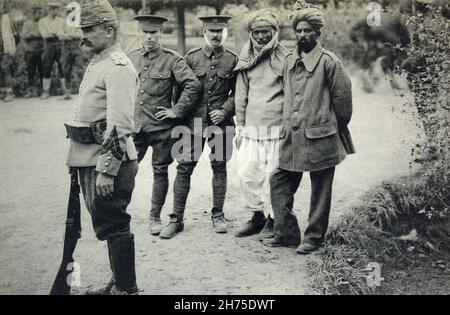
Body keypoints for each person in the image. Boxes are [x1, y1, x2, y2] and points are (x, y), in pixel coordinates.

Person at [263, 6, 355, 254]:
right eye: (298, 30)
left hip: (320, 137)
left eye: (308, 31)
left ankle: (314, 238)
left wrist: (328, 126)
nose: (302, 35)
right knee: (279, 180)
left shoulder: (330, 62)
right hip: (292, 137)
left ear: (317, 33)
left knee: (321, 189)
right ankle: (286, 233)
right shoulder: (290, 61)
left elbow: (344, 105)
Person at [64, 0, 139, 295]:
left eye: (89, 30)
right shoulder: (100, 61)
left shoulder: (118, 67)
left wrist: (107, 170)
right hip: (90, 159)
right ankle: (117, 281)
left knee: (115, 225)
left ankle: (127, 289)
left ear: (109, 31)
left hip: (107, 162)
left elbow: (119, 124)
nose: (83, 35)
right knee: (108, 225)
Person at [163, 15, 238, 239]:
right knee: (184, 168)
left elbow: (239, 92)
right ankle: (176, 219)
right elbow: (180, 91)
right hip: (191, 123)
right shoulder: (191, 58)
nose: (216, 35)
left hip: (221, 124)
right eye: (212, 30)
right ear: (204, 30)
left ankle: (218, 215)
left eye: (220, 30)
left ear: (225, 31)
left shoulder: (233, 60)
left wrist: (224, 110)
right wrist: (178, 115)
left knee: (220, 167)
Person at [127, 15, 201, 238]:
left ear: (161, 34)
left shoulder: (172, 59)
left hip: (161, 129)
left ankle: (154, 217)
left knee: (160, 172)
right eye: (145, 32)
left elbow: (192, 85)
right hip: (134, 128)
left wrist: (176, 111)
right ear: (139, 33)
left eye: (154, 33)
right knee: (124, 171)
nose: (149, 37)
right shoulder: (130, 58)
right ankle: (118, 216)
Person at [233, 9, 288, 240]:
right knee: (247, 173)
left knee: (272, 176)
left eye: (266, 32)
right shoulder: (245, 59)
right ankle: (257, 216)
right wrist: (240, 125)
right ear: (251, 34)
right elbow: (241, 94)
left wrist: (287, 125)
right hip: (252, 128)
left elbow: (291, 94)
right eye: (257, 32)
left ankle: (275, 220)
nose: (262, 37)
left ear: (274, 32)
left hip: (276, 127)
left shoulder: (284, 58)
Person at [38, 2, 65, 100]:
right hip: (48, 45)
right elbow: (45, 35)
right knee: (47, 67)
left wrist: (54, 33)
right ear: (49, 9)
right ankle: (46, 91)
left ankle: (66, 91)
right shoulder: (42, 21)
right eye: (53, 8)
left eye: (57, 8)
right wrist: (55, 33)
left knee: (62, 66)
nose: (56, 11)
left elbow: (62, 34)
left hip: (59, 44)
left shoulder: (61, 21)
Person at [57, 5, 84, 100]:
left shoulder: (79, 22)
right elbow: (60, 36)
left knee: (80, 68)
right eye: (69, 12)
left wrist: (68, 35)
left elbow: (80, 35)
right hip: (66, 48)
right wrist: (72, 36)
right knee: (65, 69)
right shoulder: (63, 23)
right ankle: (67, 91)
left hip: (77, 47)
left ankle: (83, 91)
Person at [21, 5, 45, 98]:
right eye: (38, 13)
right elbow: (24, 35)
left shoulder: (43, 23)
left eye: (40, 13)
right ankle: (31, 91)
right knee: (30, 71)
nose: (39, 15)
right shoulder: (27, 23)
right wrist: (35, 34)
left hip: (41, 50)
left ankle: (43, 91)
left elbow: (43, 34)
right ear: (33, 13)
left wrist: (31, 34)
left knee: (42, 71)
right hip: (30, 51)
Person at [0, 3, 17, 102]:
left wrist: (12, 47)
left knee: (6, 68)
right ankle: (2, 92)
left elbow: (15, 33)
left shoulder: (7, 19)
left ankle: (10, 92)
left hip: (6, 47)